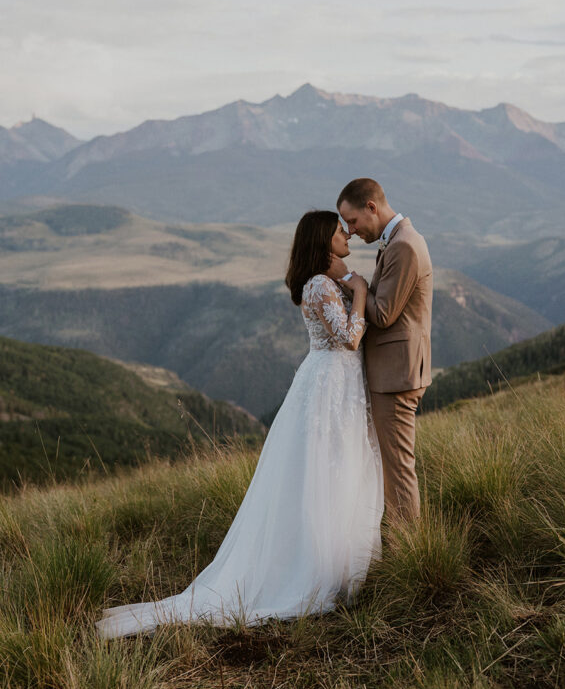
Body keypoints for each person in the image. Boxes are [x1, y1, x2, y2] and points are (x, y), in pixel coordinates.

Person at [96, 211, 383, 639]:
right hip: (328, 386)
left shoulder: (326, 280)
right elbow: (350, 337)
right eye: (340, 231)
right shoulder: (320, 285)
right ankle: (318, 569)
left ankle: (337, 562)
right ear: (324, 242)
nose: (347, 235)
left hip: (338, 384)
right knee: (327, 469)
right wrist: (359, 289)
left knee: (336, 468)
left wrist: (351, 281)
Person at [333, 178, 432, 524]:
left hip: (396, 376)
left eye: (354, 221)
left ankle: (411, 553)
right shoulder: (399, 241)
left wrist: (352, 285)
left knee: (398, 469)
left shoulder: (404, 245)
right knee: (391, 466)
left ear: (371, 207)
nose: (351, 231)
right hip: (393, 372)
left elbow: (385, 313)